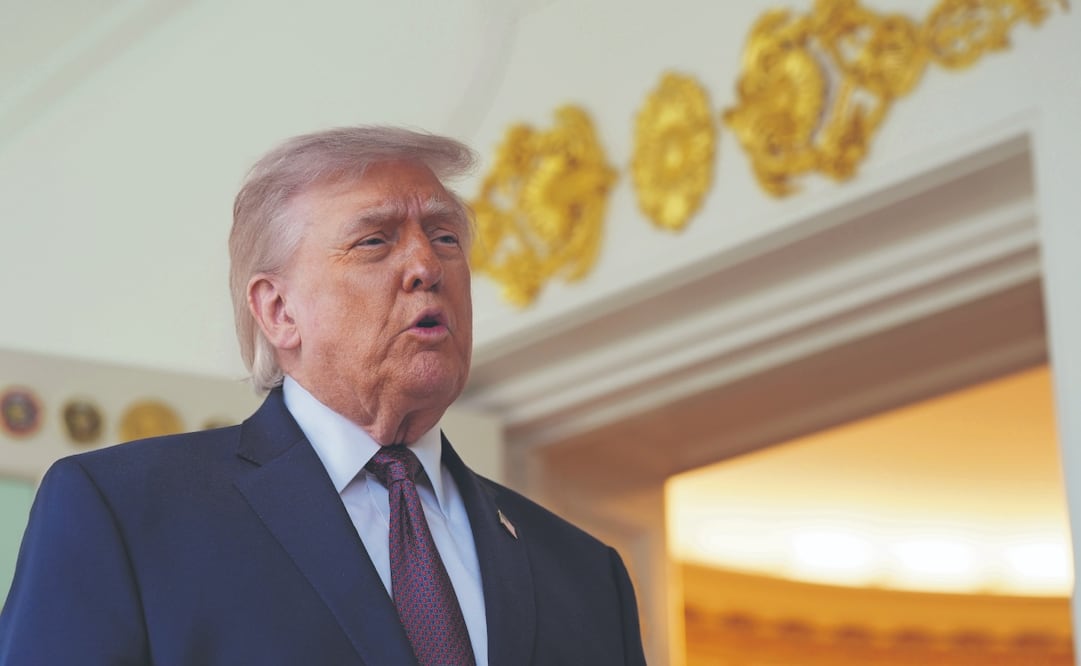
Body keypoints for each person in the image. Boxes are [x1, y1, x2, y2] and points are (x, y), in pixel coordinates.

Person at [0, 127, 647, 665]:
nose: (426, 266)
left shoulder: (585, 574)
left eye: (445, 237)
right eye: (375, 241)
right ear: (278, 311)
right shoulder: (125, 512)